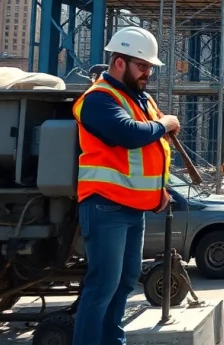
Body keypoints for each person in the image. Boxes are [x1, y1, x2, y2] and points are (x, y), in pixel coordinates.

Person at [72, 26, 178, 345]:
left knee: (124, 282)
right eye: (142, 66)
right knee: (103, 285)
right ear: (120, 62)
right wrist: (164, 123)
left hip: (134, 209)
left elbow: (153, 150)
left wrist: (160, 189)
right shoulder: (98, 99)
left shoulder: (140, 98)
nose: (148, 73)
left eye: (148, 67)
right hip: (105, 206)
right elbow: (129, 134)